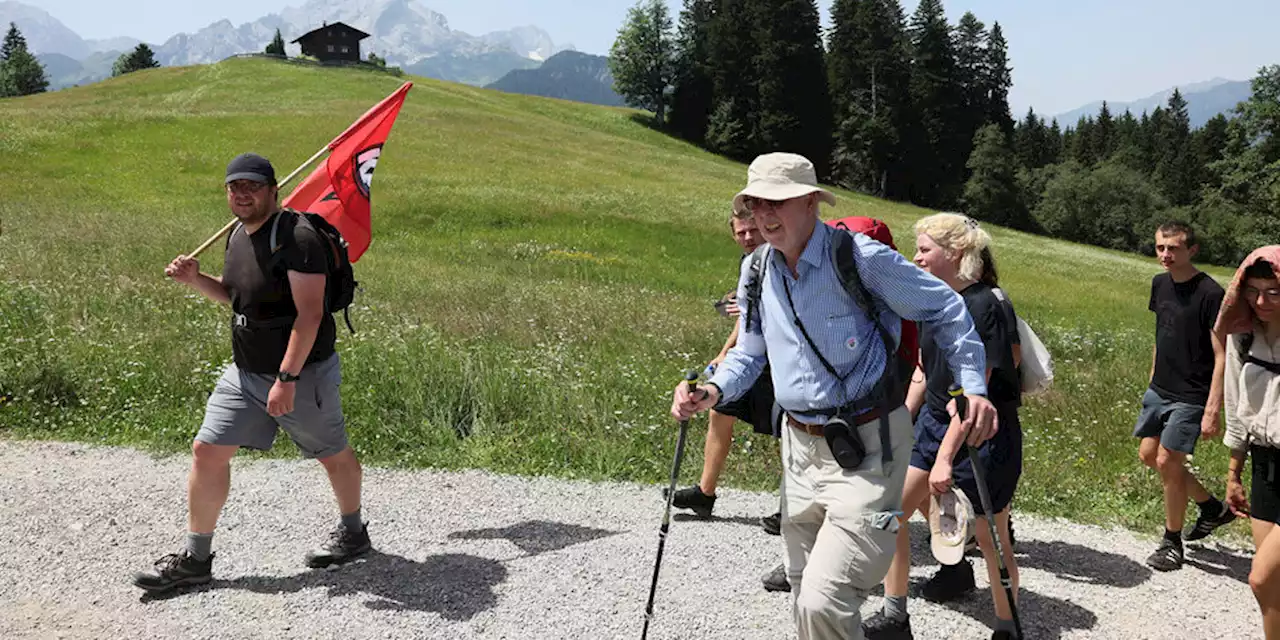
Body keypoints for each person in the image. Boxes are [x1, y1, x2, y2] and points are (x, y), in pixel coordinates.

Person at [671, 152, 998, 640]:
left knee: (826, 599)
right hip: (797, 450)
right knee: (806, 596)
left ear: (809, 203)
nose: (763, 215)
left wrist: (973, 385)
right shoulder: (758, 271)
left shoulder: (859, 258)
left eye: (776, 202)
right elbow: (751, 351)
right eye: (756, 203)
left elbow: (946, 307)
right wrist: (713, 388)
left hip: (869, 449)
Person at [133, 153, 371, 594]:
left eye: (252, 186)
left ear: (273, 190)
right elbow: (236, 298)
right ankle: (196, 560)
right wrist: (195, 279)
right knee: (207, 450)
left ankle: (354, 534)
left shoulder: (298, 239)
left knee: (332, 453)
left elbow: (311, 316)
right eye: (234, 186)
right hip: (245, 373)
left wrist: (287, 379)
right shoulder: (238, 235)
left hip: (302, 373)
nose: (242, 194)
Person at [863, 213, 1023, 640]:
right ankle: (896, 616)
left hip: (980, 434)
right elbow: (922, 371)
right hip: (934, 424)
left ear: (953, 254)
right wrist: (899, 422)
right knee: (890, 514)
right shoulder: (936, 299)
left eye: (924, 250)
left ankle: (1007, 626)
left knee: (990, 536)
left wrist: (946, 458)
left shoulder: (986, 304)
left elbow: (976, 396)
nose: (915, 258)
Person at [667, 206, 780, 532]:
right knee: (721, 408)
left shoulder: (777, 258)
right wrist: (723, 354)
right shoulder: (751, 263)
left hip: (778, 363)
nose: (746, 237)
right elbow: (749, 324)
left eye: (752, 231)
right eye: (740, 232)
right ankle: (705, 493)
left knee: (791, 430)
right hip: (753, 360)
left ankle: (791, 508)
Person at [1135, 221, 1234, 572]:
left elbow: (1222, 355)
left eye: (1173, 248)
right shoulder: (1159, 283)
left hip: (1192, 393)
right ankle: (1212, 508)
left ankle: (1171, 543)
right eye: (1161, 247)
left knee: (1168, 462)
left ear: (1191, 250)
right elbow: (1160, 335)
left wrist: (1212, 409)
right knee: (1149, 455)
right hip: (1161, 388)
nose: (1165, 254)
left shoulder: (1210, 293)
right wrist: (1151, 379)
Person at [1216, 247, 1280, 638]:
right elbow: (1238, 409)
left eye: (1273, 291)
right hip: (1264, 464)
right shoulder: (1243, 338)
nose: (1261, 301)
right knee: (1271, 587)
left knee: (1260, 578)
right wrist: (1233, 474)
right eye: (1254, 291)